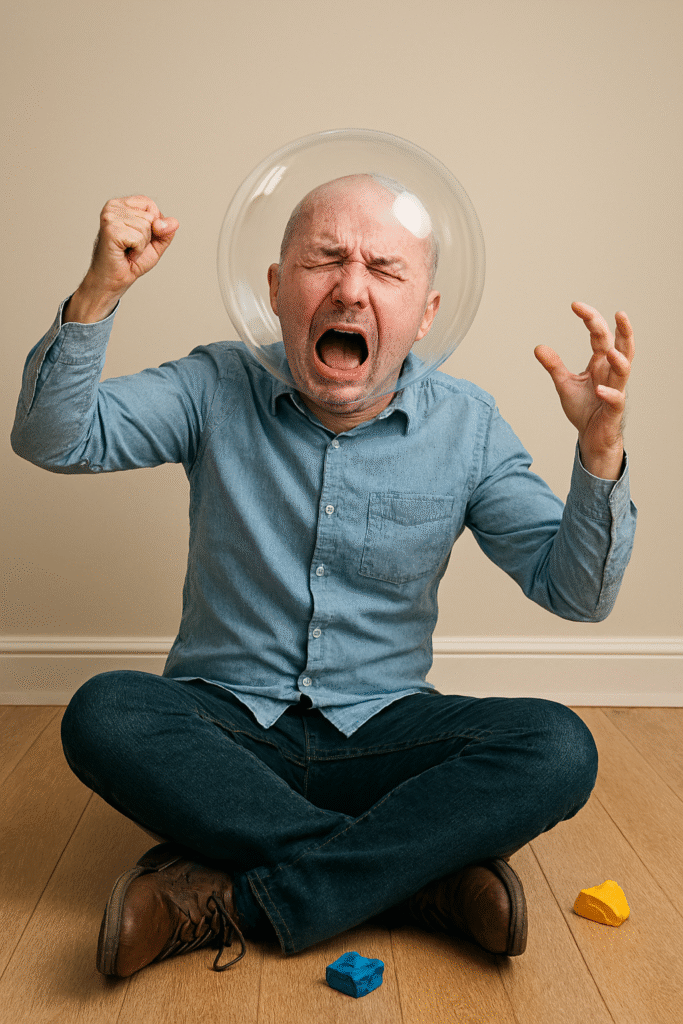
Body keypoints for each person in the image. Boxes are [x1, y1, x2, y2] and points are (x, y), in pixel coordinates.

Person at [11, 175, 636, 978]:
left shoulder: (468, 425)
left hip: (383, 731)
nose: (349, 287)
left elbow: (576, 593)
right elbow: (53, 439)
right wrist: (101, 288)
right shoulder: (213, 384)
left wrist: (598, 456)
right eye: (324, 260)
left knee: (556, 745)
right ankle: (417, 879)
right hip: (227, 731)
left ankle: (227, 898)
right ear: (276, 288)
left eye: (384, 268)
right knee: (105, 712)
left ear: (427, 311)